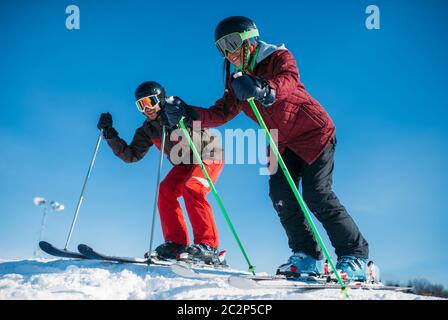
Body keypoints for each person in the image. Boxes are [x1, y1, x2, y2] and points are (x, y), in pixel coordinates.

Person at [163, 16, 370, 280]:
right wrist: (187, 112)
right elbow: (221, 112)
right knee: (281, 195)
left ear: (250, 40)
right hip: (281, 141)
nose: (229, 52)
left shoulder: (278, 57)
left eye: (232, 42)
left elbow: (288, 80)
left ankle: (355, 256)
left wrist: (263, 89)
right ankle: (307, 255)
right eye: (221, 48)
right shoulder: (236, 81)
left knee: (317, 194)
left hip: (314, 132)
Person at [97, 81, 225, 265]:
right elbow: (131, 155)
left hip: (208, 155)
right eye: (141, 104)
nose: (147, 107)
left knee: (193, 187)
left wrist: (175, 123)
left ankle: (208, 246)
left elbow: (194, 137)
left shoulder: (176, 112)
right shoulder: (147, 130)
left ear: (162, 99)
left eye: (150, 101)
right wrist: (110, 135)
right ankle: (177, 244)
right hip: (184, 164)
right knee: (165, 190)